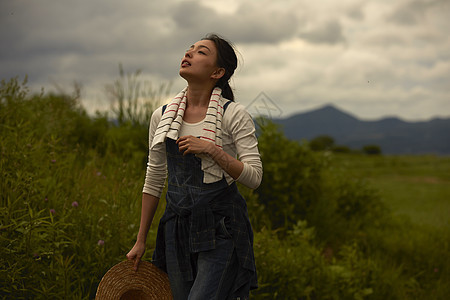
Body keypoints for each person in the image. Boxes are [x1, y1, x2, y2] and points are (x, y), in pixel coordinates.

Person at [126, 33, 263, 300]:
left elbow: (254, 177)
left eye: (201, 52)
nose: (189, 53)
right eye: (189, 49)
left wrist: (213, 150)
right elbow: (154, 179)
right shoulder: (162, 115)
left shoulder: (234, 114)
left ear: (218, 72)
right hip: (177, 229)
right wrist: (141, 240)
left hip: (222, 227)